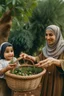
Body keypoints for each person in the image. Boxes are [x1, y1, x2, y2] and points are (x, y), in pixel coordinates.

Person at [20, 25, 64, 96]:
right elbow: (39, 59)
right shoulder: (45, 49)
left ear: (57, 35)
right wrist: (30, 57)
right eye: (46, 35)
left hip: (58, 81)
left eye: (51, 35)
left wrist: (55, 61)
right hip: (46, 81)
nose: (47, 37)